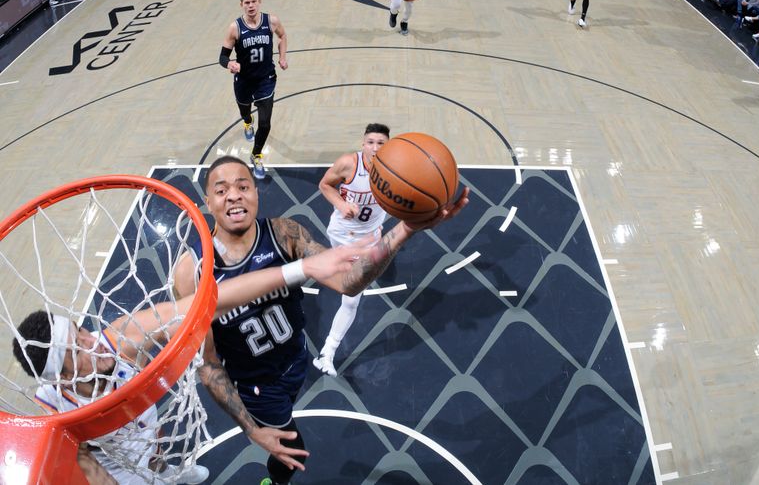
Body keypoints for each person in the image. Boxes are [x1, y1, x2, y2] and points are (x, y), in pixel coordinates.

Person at [174, 155, 468, 485]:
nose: (233, 195)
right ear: (208, 202)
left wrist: (405, 229)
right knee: (290, 453)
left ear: (256, 193)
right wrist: (252, 429)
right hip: (258, 385)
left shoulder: (285, 232)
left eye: (243, 186)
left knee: (289, 435)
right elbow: (208, 362)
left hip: (297, 360)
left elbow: (348, 281)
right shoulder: (193, 271)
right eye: (221, 189)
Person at [11, 235, 369, 484]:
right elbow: (85, 461)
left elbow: (206, 303)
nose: (94, 344)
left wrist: (302, 269)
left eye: (82, 331)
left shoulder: (120, 339)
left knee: (158, 448)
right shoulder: (58, 414)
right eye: (78, 351)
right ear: (62, 378)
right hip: (121, 472)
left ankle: (169, 471)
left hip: (146, 437)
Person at [313, 123, 390, 377]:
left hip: (370, 238)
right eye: (371, 142)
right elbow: (325, 185)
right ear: (362, 143)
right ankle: (327, 353)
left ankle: (327, 353)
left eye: (381, 142)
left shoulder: (397, 169)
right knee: (352, 296)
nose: (375, 148)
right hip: (343, 235)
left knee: (351, 295)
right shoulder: (349, 164)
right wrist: (341, 202)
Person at [219, 0, 288, 180]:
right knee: (245, 112)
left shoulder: (271, 21)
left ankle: (256, 155)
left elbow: (282, 36)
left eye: (253, 1)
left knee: (265, 124)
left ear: (259, 2)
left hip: (266, 80)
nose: (250, 5)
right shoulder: (235, 27)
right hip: (244, 81)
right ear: (241, 5)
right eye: (246, 2)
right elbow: (223, 56)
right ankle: (247, 122)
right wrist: (230, 63)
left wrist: (283, 57)